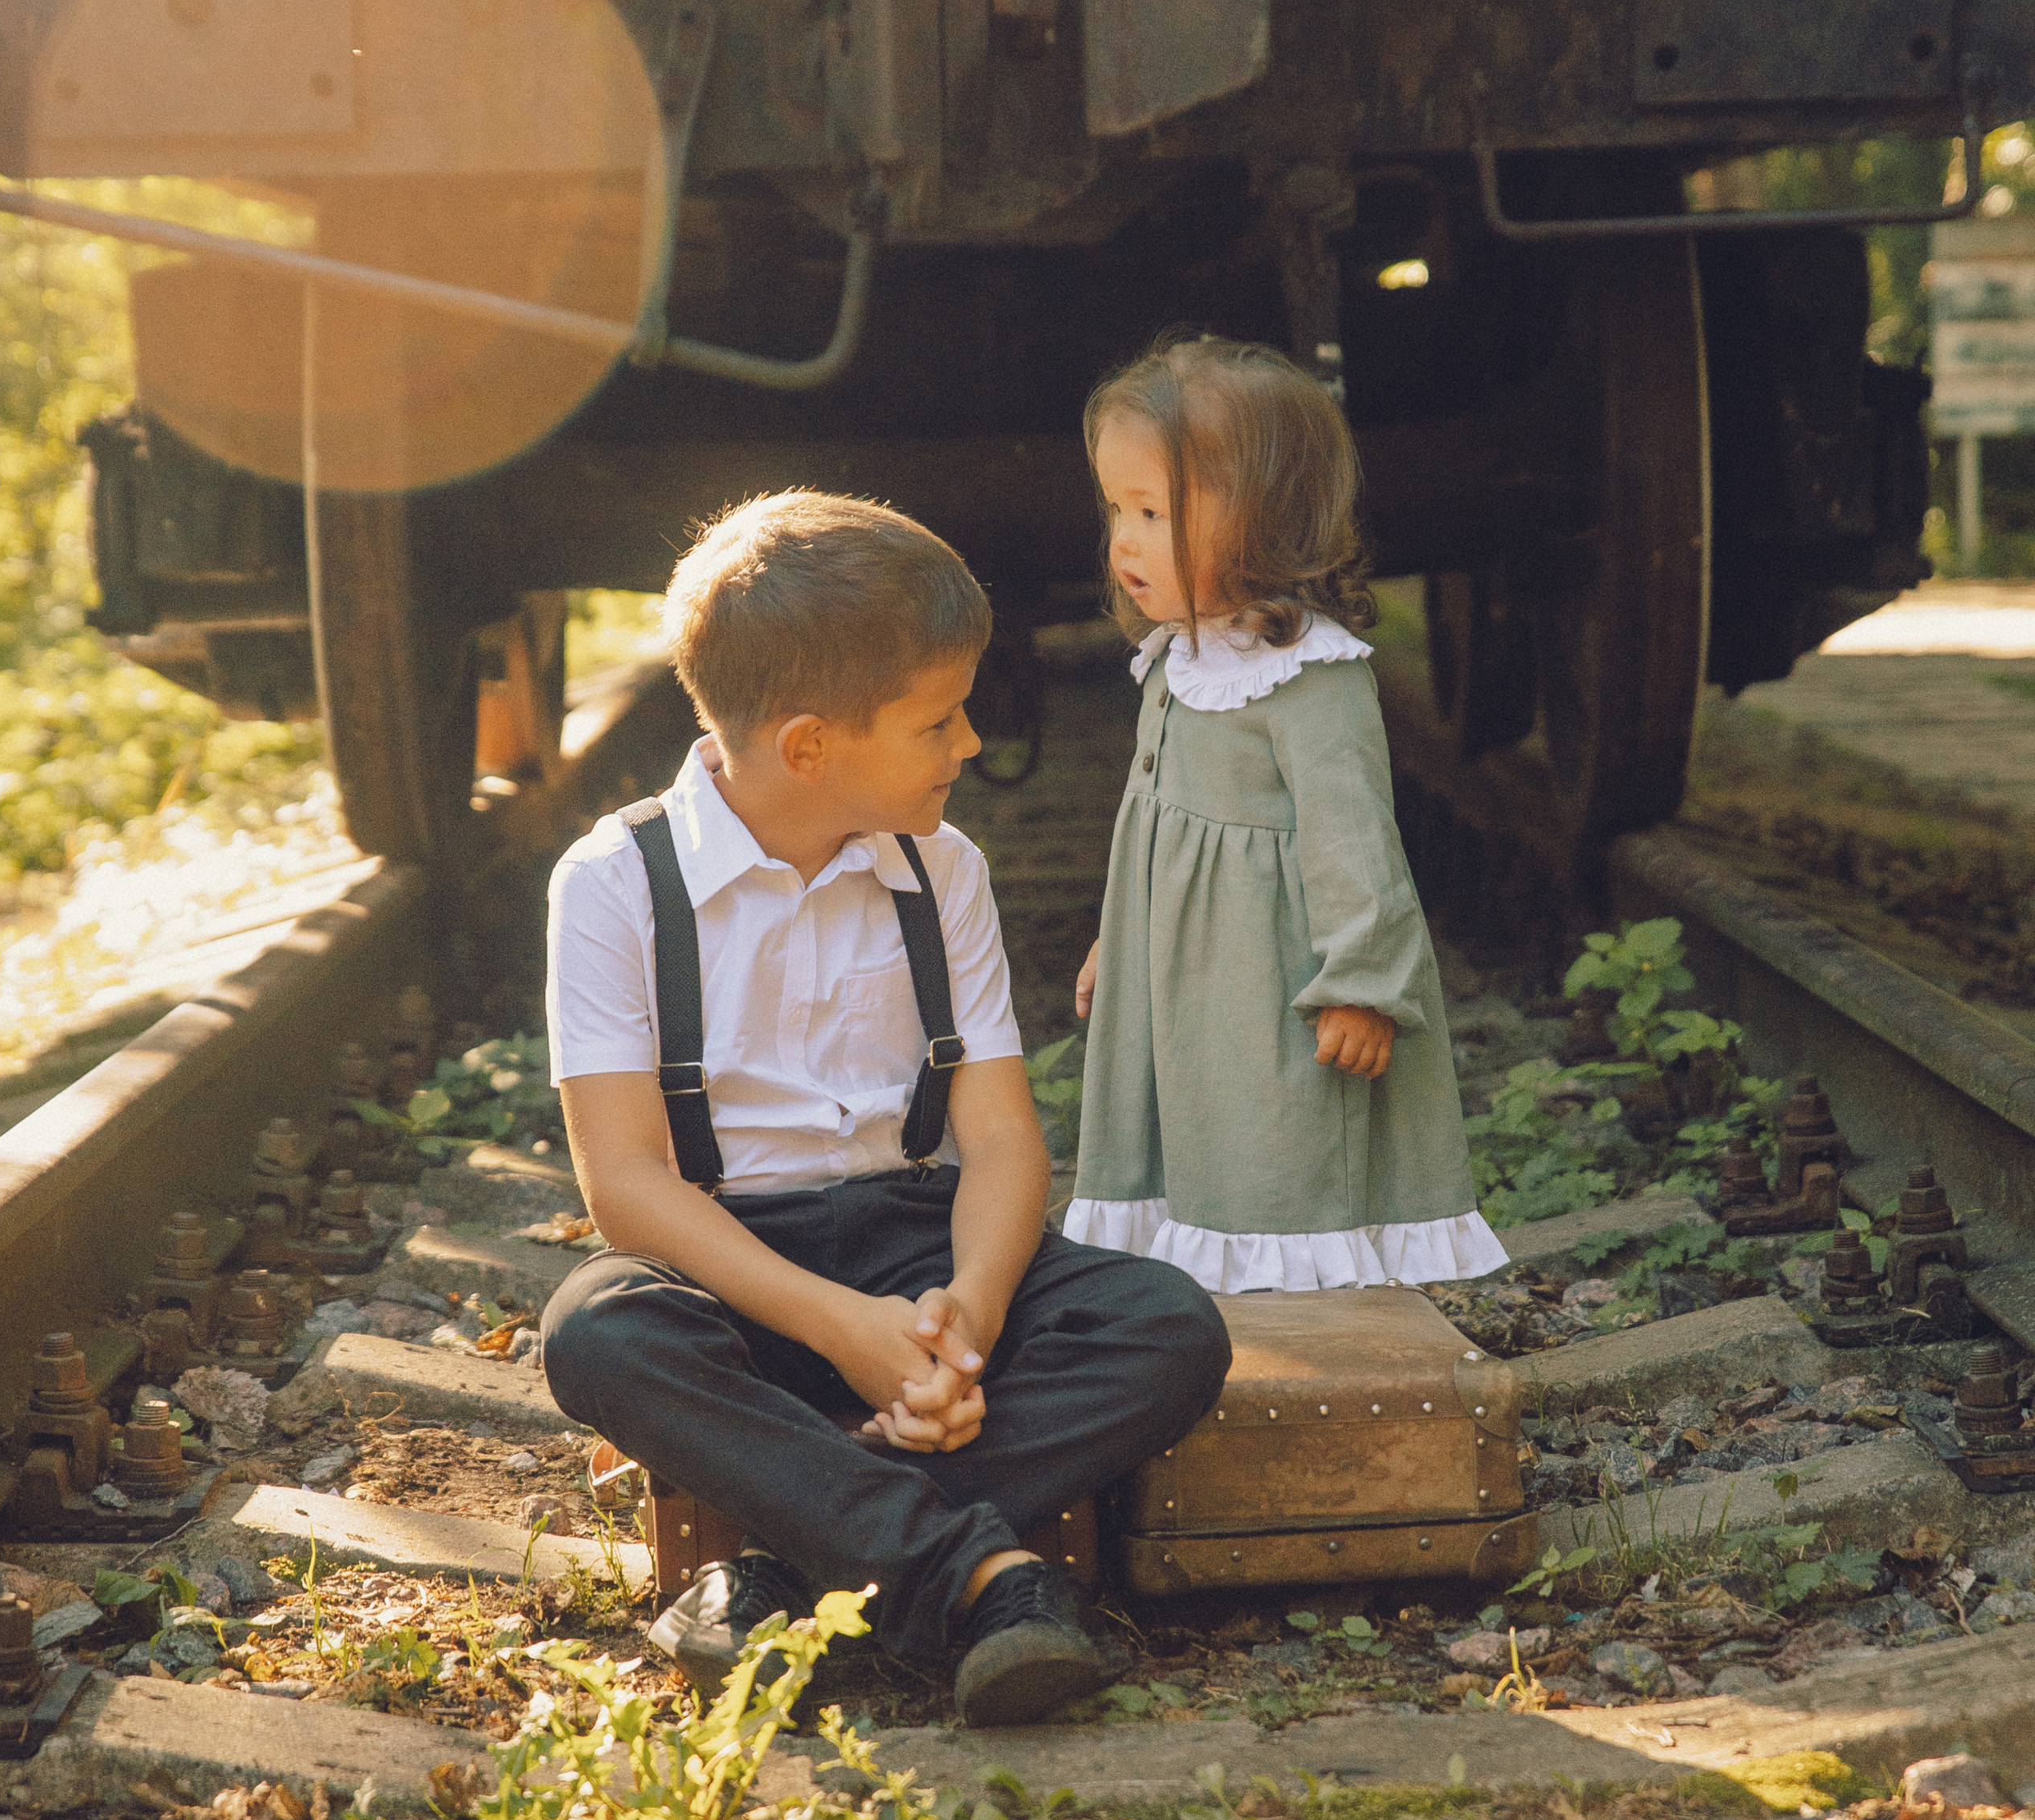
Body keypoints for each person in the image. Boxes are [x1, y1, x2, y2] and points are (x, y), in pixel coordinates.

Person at [540, 489, 1231, 1727]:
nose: (969, 742)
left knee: (1165, 1326)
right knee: (598, 1330)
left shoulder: (941, 869)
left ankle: (789, 1557)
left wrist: (967, 1317)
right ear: (811, 747)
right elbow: (627, 1186)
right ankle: (977, 1576)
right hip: (732, 1271)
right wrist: (843, 1332)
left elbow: (1001, 1138)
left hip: (916, 1252)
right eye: (938, 719)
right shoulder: (615, 882)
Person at [1066, 331, 1507, 1297]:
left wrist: (1362, 982)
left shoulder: (1311, 678)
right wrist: (1119, 935)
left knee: (1274, 1120)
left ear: (1266, 520)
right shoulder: (1177, 656)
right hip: (1182, 966)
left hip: (1272, 972)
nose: (1125, 540)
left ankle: (1294, 1287)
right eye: (1117, 510)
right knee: (1196, 1111)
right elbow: (1150, 815)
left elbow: (1357, 844)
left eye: (1153, 512)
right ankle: (1203, 1271)